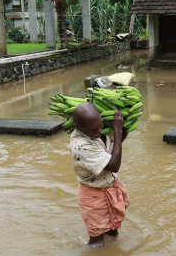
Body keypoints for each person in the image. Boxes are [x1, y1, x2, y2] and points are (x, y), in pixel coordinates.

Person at [69, 102, 129, 245]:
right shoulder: (80, 146)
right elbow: (114, 165)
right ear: (80, 128)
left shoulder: (97, 130)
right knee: (97, 239)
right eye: (95, 129)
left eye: (101, 125)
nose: (100, 130)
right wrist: (118, 131)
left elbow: (115, 145)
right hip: (93, 195)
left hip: (110, 187)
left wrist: (120, 130)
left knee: (113, 229)